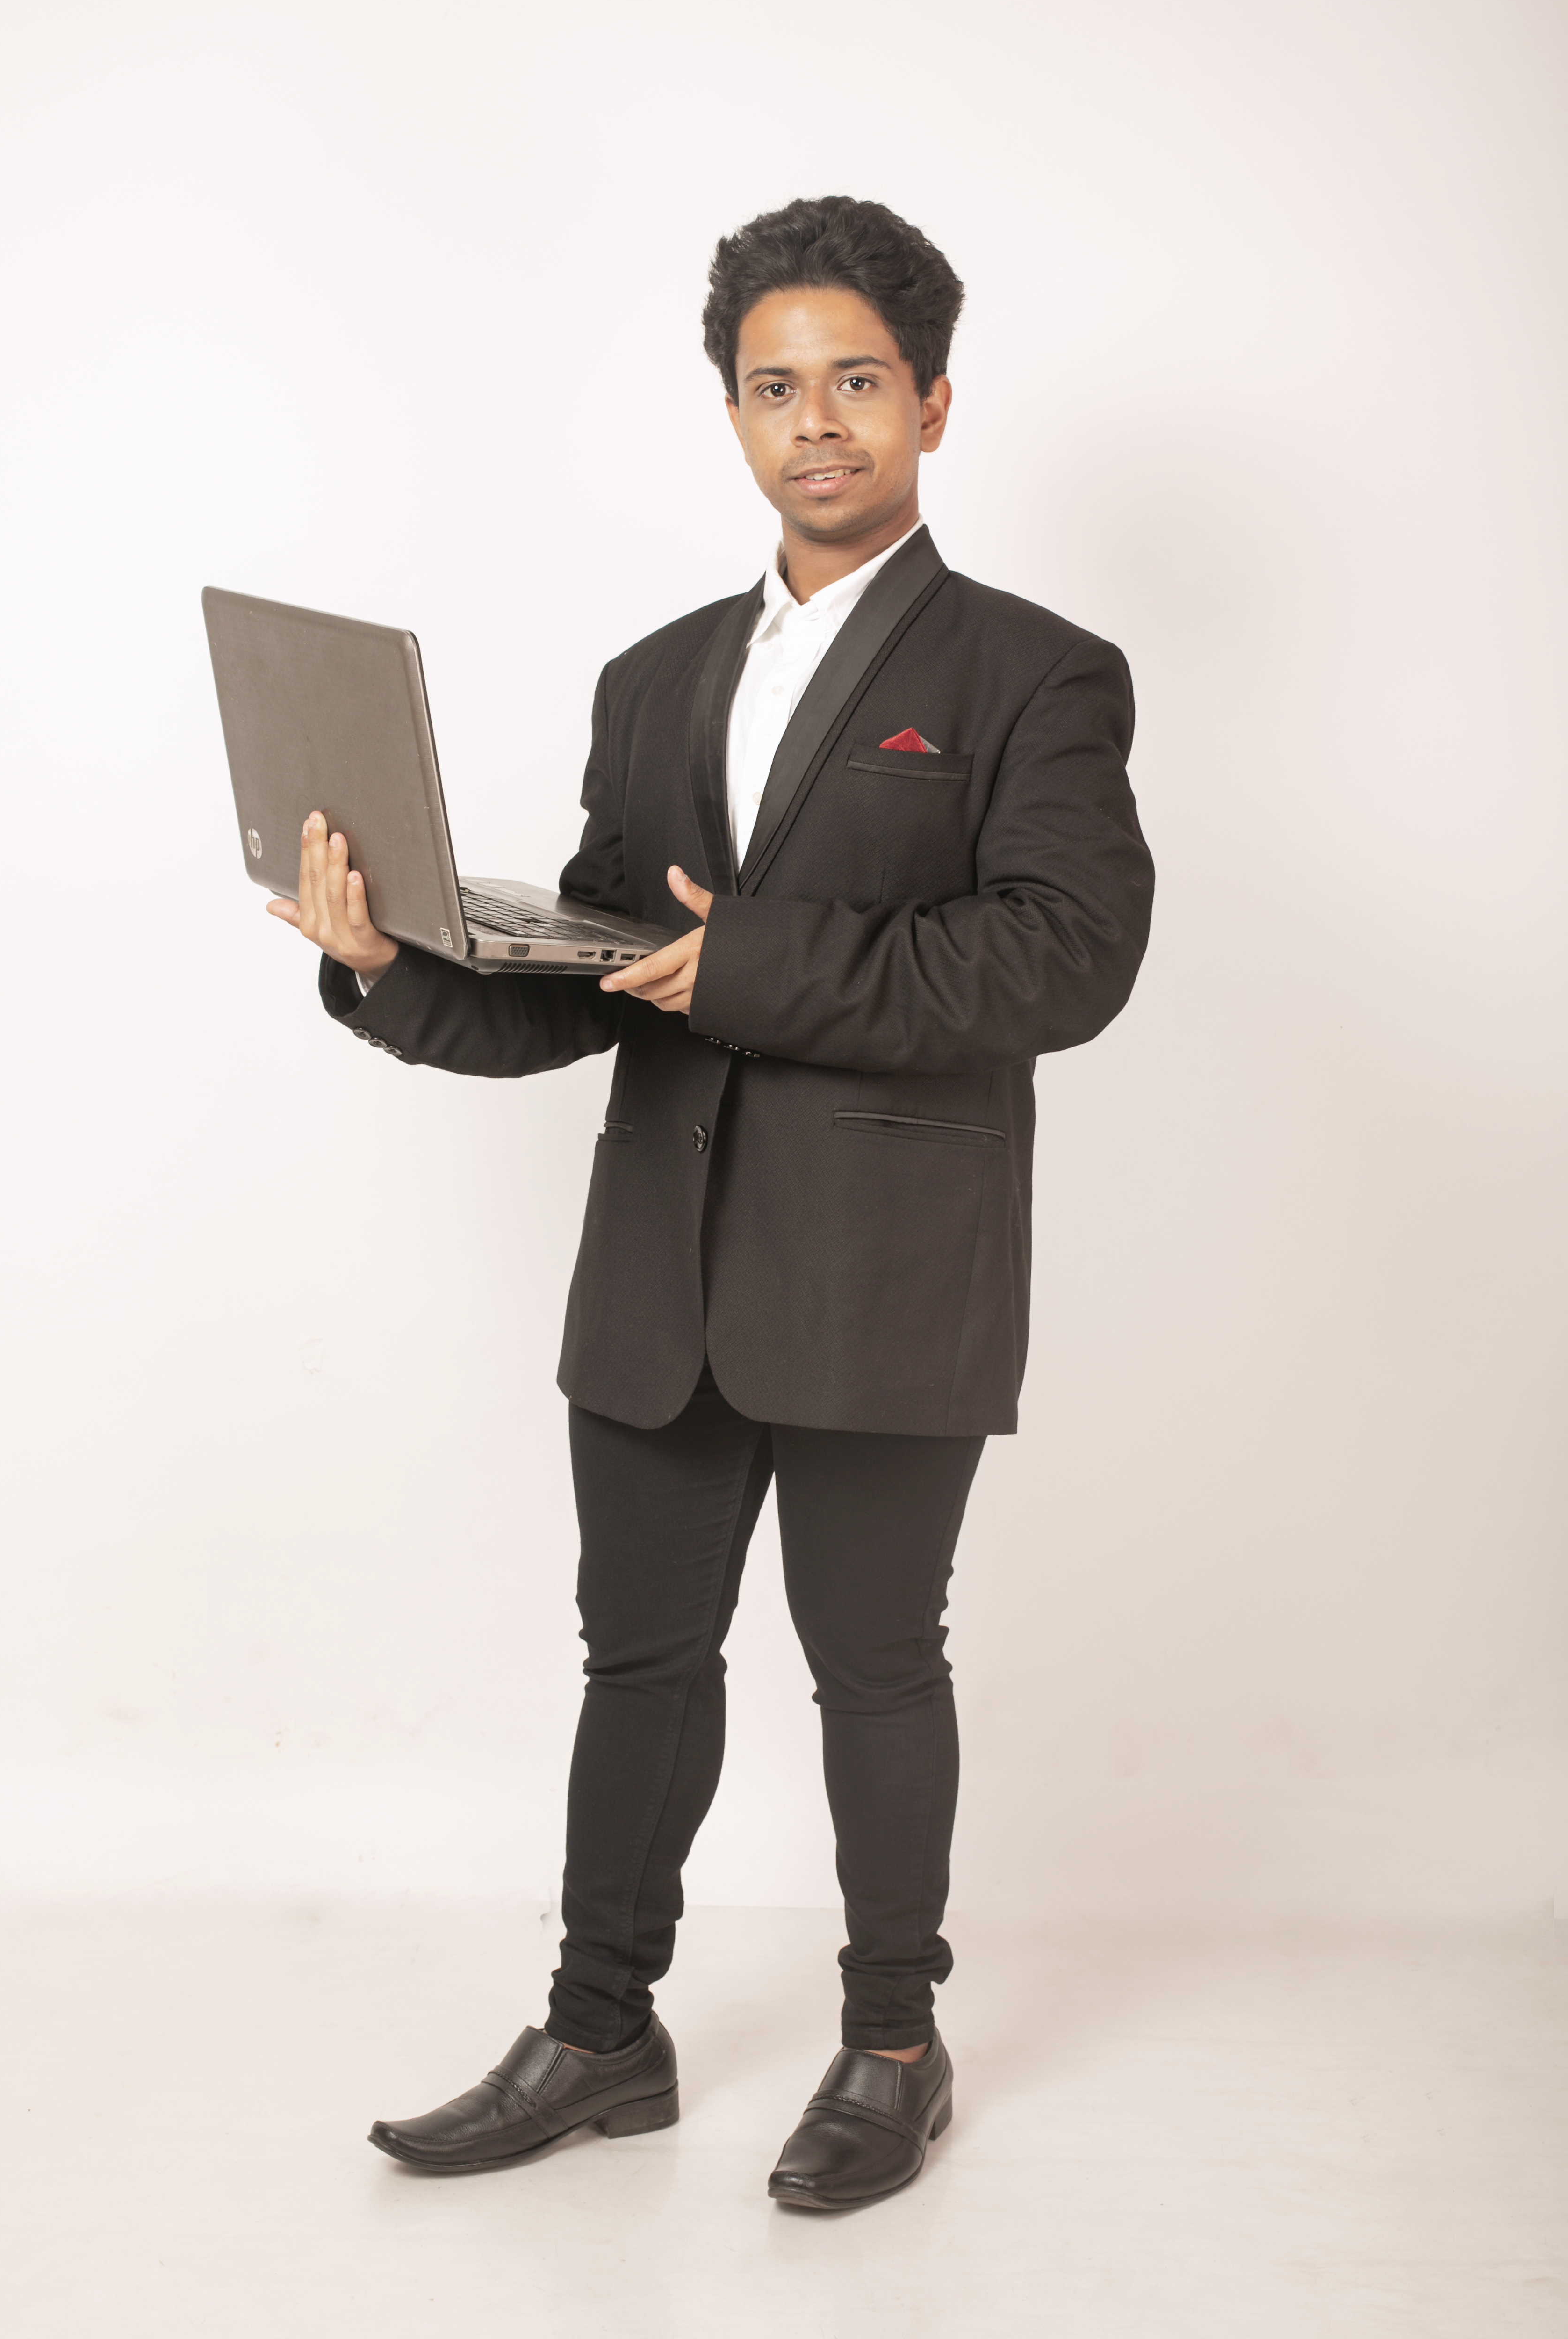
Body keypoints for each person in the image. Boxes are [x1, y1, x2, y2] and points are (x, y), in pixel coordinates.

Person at [267, 196, 1154, 2209]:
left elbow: (1065, 957)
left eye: (856, 383)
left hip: (888, 1274)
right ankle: (602, 2036)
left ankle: (894, 2044)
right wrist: (387, 964)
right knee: (637, 1661)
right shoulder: (656, 678)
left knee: (876, 1664)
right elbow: (592, 987)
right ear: (732, 414)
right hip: (661, 1271)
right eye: (774, 387)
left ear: (932, 405)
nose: (814, 422)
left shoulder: (1036, 673)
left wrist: (747, 962)